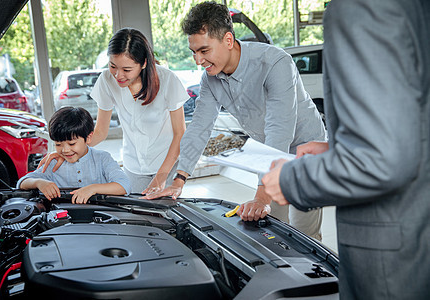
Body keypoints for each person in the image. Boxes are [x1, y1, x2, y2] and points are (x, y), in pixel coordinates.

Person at [262, 0, 430, 299]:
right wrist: (335, 150)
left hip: (395, 262)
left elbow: (382, 160)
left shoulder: (364, 7)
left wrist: (291, 180)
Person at [144, 1, 327, 240]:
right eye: (194, 52)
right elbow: (200, 126)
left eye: (204, 51)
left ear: (228, 41)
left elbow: (279, 127)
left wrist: (261, 195)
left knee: (304, 235)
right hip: (268, 153)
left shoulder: (274, 63)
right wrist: (179, 180)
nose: (198, 60)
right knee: (273, 227)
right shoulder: (210, 79)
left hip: (304, 150)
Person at [41, 28, 189, 194]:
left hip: (167, 163)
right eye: (113, 66)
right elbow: (101, 131)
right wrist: (67, 149)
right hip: (133, 165)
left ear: (144, 63)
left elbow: (180, 133)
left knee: (165, 215)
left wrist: (161, 177)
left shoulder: (168, 80)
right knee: (136, 215)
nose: (118, 75)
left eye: (126, 70)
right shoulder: (106, 80)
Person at [18, 107, 131, 204]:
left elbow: (124, 185)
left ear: (88, 138)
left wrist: (93, 188)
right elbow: (22, 183)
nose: (65, 150)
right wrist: (39, 183)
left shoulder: (102, 159)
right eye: (58, 144)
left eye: (72, 143)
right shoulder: (54, 163)